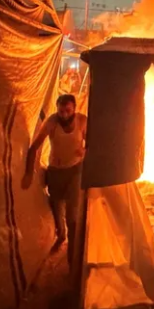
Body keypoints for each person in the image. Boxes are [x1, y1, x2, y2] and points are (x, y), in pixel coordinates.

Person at [22, 94, 87, 267]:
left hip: (75, 171)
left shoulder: (82, 121)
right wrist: (28, 173)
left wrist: (84, 152)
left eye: (67, 111)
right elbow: (34, 147)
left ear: (74, 109)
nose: (64, 115)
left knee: (73, 217)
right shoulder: (52, 122)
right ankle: (61, 234)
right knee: (57, 208)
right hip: (56, 171)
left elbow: (93, 144)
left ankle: (72, 258)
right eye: (61, 111)